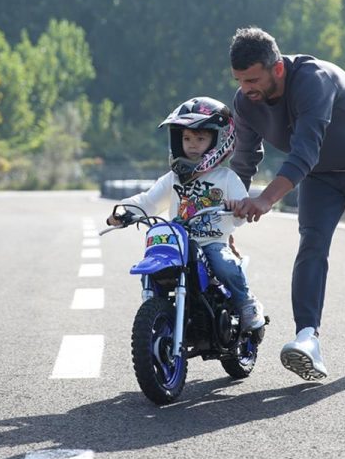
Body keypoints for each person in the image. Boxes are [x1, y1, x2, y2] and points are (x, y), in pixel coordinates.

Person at [227, 27, 345, 380]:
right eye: (240, 81)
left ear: (277, 69)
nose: (246, 89)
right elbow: (244, 159)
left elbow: (305, 148)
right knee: (312, 245)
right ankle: (308, 339)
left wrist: (266, 199)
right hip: (321, 174)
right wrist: (229, 221)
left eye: (253, 80)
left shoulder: (314, 80)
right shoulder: (246, 102)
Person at [106, 96, 265, 331]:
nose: (192, 144)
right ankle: (156, 312)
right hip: (177, 243)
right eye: (186, 138)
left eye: (200, 138)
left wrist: (237, 208)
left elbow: (241, 215)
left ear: (219, 140)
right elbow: (149, 201)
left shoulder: (226, 177)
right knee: (151, 268)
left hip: (211, 242)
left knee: (224, 266)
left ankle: (246, 303)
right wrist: (124, 211)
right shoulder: (173, 178)